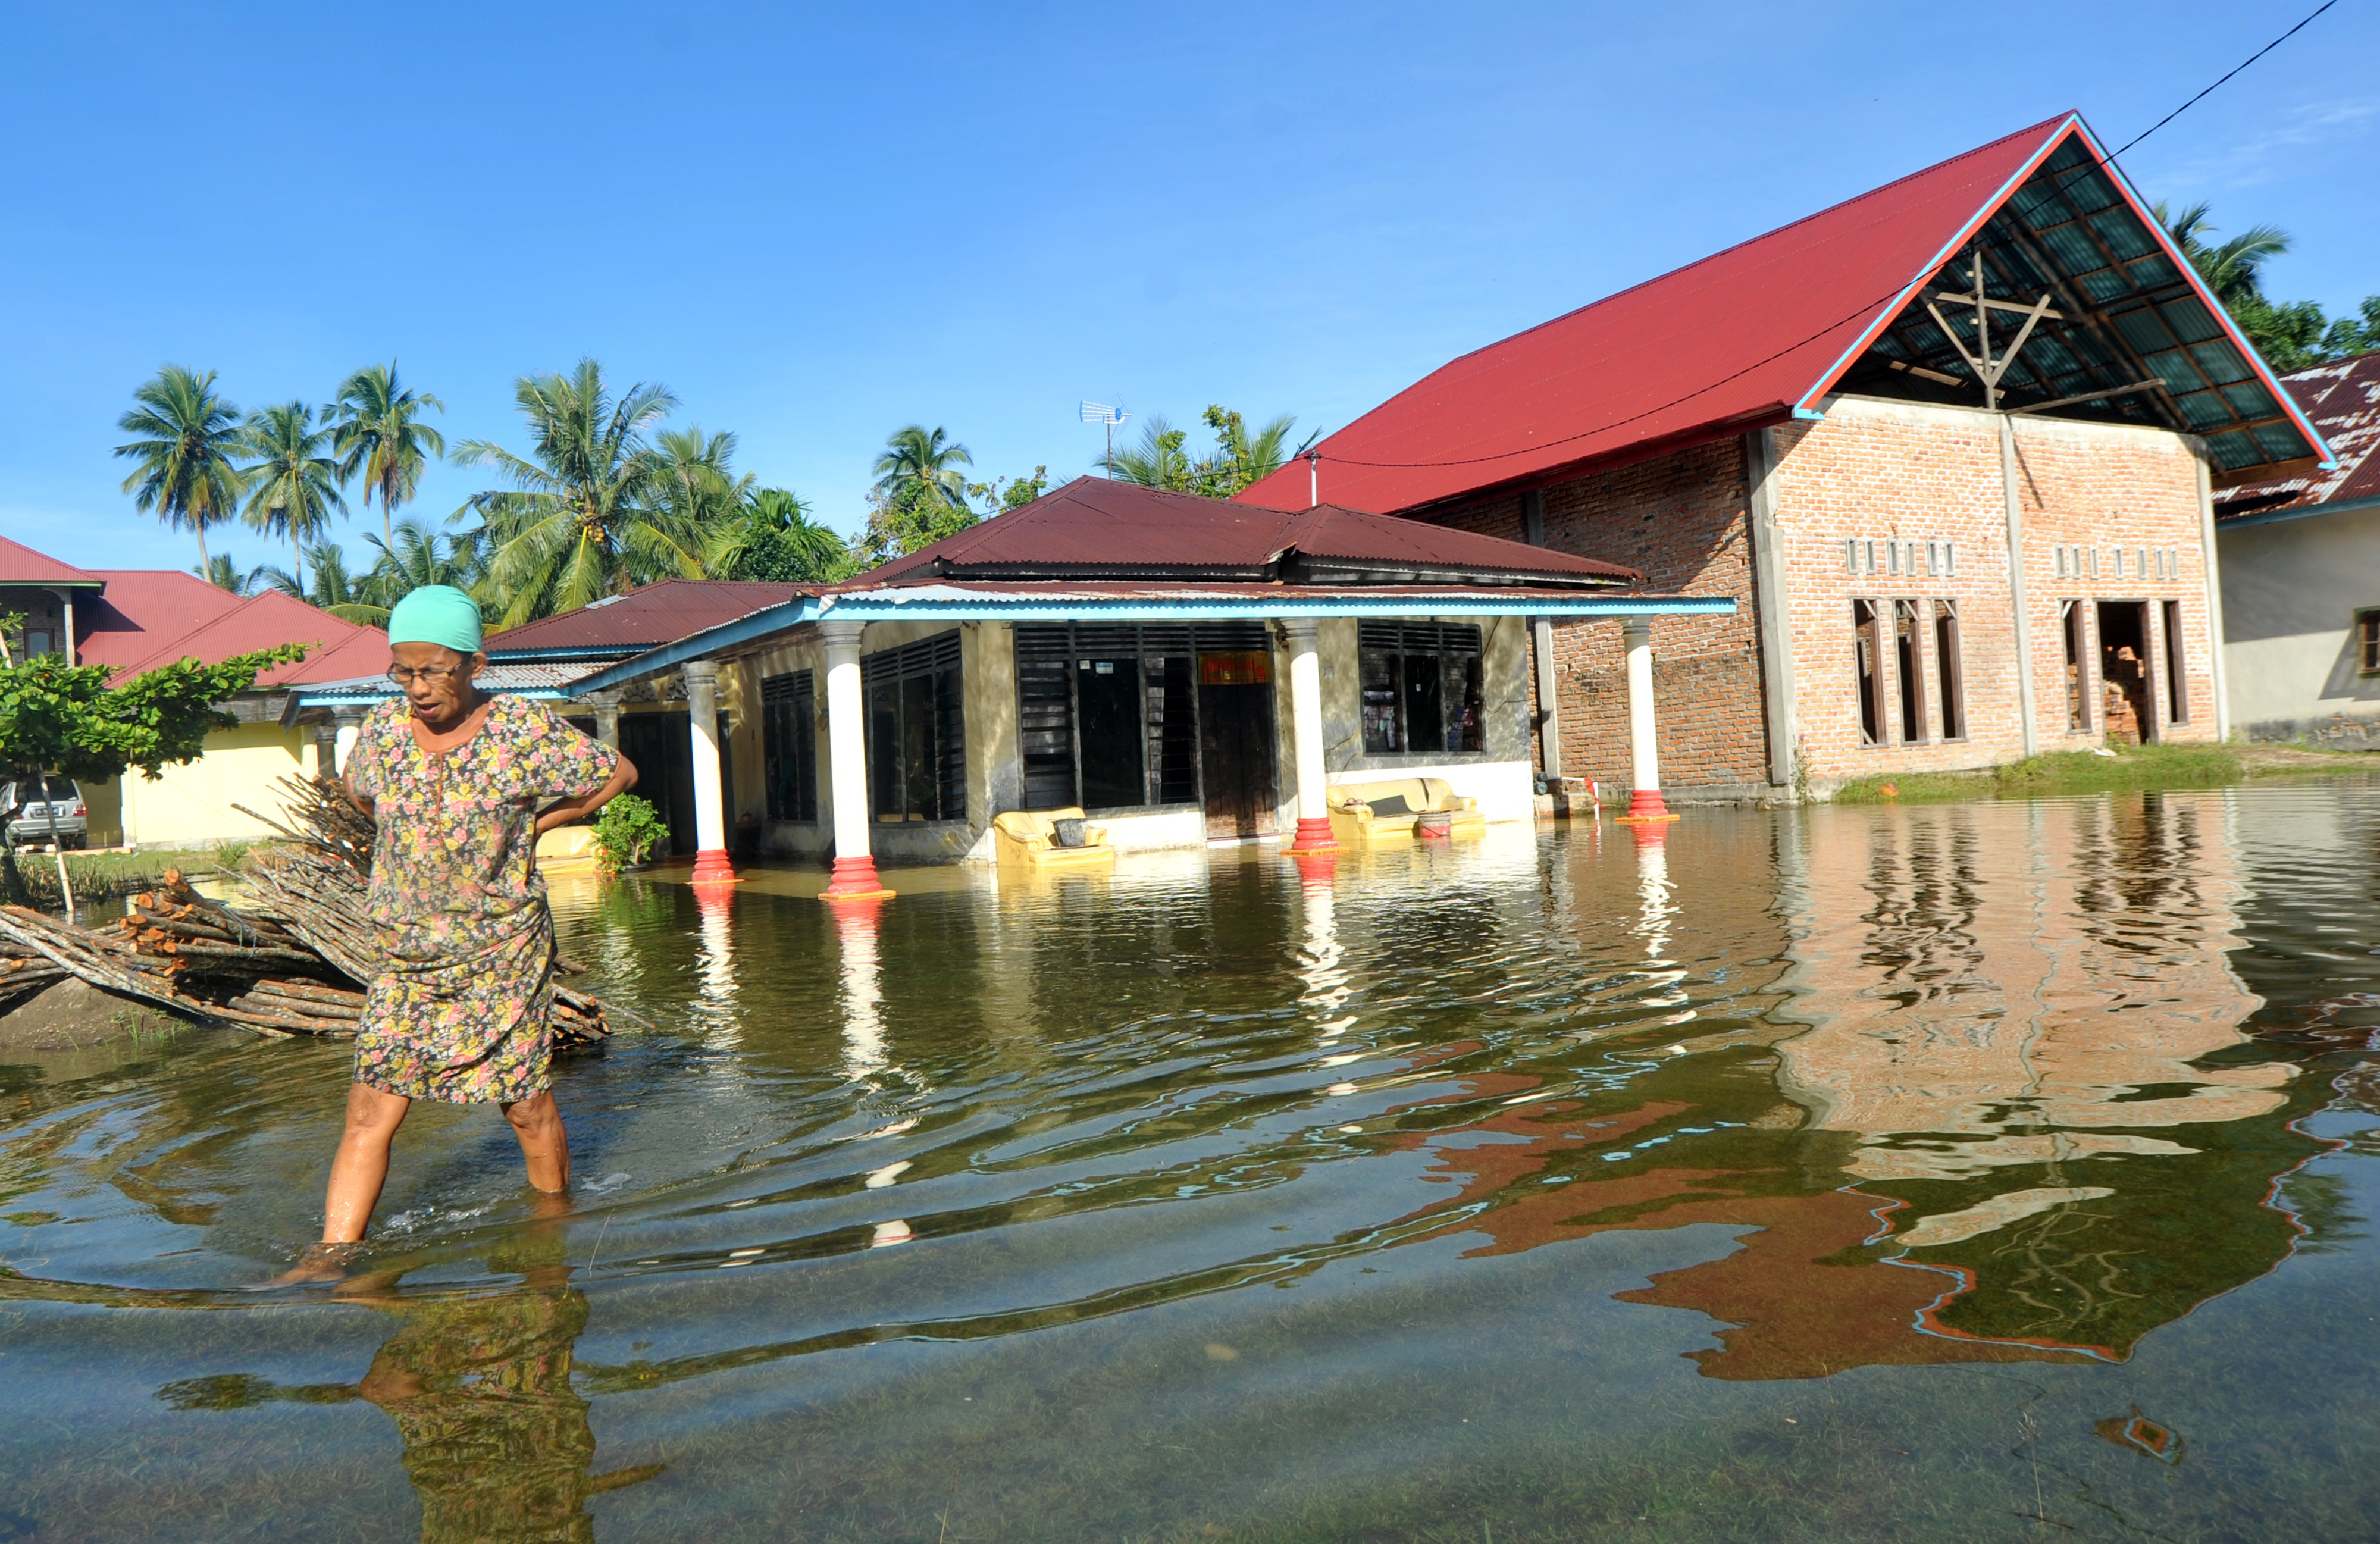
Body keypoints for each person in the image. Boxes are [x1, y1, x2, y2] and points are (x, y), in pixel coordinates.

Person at [287, 585, 637, 1275]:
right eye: (402, 671)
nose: (415, 688)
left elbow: (615, 773)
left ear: (473, 664)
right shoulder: (384, 731)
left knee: (525, 1106)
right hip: (406, 953)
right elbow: (361, 792)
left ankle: (553, 1235)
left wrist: (537, 823)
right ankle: (328, 1259)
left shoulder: (521, 730)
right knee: (370, 1108)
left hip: (500, 948)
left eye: (432, 671)